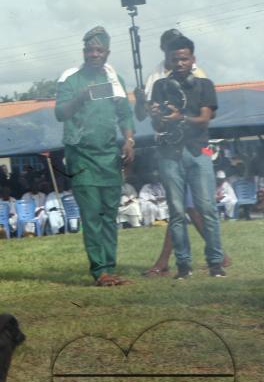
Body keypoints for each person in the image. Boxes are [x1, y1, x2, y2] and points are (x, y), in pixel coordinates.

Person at [54, 27, 135, 286]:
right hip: (81, 157)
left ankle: (109, 267)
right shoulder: (70, 79)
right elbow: (60, 113)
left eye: (99, 50)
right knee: (92, 215)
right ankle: (100, 271)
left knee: (109, 215)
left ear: (107, 53)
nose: (94, 54)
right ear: (84, 52)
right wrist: (81, 97)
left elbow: (125, 115)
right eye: (90, 50)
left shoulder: (114, 80)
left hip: (109, 157)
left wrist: (129, 140)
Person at [148, 35, 224, 279]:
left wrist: (180, 117)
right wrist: (156, 115)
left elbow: (204, 119)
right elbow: (157, 124)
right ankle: (183, 266)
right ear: (168, 60)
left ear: (193, 59)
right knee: (177, 212)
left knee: (207, 209)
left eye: (184, 58)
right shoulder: (160, 86)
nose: (180, 63)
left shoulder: (205, 85)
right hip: (169, 154)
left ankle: (215, 263)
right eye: (175, 59)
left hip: (198, 152)